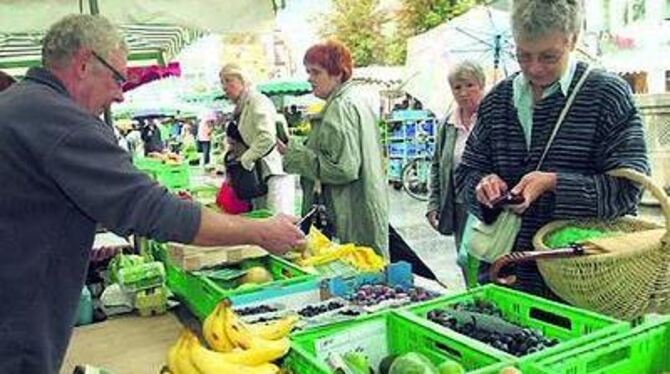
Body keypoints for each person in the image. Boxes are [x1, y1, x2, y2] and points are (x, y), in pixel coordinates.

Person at [0, 15, 304, 373]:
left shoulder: (21, 105)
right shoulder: (62, 122)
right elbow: (154, 212)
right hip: (16, 321)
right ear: (84, 64)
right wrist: (260, 232)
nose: (119, 93)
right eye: (117, 78)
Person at [455, 0, 649, 297]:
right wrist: (483, 187)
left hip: (582, 286)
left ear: (572, 39)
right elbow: (466, 174)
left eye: (549, 57)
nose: (534, 68)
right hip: (505, 278)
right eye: (523, 56)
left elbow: (628, 190)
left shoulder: (607, 96)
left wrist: (553, 184)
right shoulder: (496, 101)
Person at [277, 40, 389, 258]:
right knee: (371, 268)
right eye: (308, 72)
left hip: (350, 212)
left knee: (359, 273)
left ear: (337, 74)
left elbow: (343, 168)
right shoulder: (355, 100)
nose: (310, 78)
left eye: (316, 72)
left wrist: (294, 154)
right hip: (364, 206)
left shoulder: (340, 107)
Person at [426, 60, 486, 287]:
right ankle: (472, 296)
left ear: (481, 85)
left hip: (486, 206)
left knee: (486, 261)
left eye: (470, 85)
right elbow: (437, 165)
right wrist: (433, 204)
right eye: (457, 87)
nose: (463, 93)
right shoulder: (448, 124)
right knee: (464, 260)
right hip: (459, 206)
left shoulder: (492, 119)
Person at [220, 63, 295, 215]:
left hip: (273, 172)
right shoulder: (242, 106)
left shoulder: (257, 101)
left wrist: (245, 159)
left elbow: (267, 137)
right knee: (261, 220)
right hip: (259, 174)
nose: (225, 87)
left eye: (229, 81)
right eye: (222, 82)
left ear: (242, 81)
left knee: (275, 222)